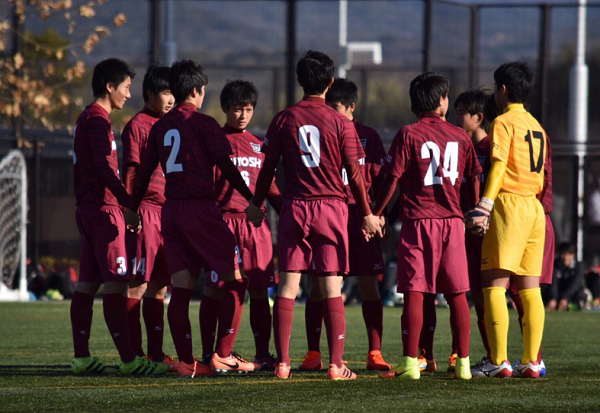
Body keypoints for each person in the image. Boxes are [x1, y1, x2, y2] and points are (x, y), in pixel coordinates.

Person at [246, 50, 377, 380]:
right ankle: (336, 364)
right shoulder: (341, 122)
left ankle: (283, 363)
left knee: (289, 286)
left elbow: (267, 168)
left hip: (297, 207)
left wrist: (256, 203)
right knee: (332, 287)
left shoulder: (283, 118)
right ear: (330, 83)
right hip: (332, 208)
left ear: (299, 81)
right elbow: (356, 173)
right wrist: (367, 213)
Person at [127, 59, 256, 377]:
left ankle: (187, 362)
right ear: (197, 91)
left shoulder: (160, 127)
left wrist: (131, 207)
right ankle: (223, 355)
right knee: (237, 281)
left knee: (181, 288)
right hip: (201, 210)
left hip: (171, 212)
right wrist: (251, 199)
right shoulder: (204, 124)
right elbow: (226, 166)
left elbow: (144, 172)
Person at [365, 72, 482, 380]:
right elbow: (474, 178)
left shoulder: (409, 134)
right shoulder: (461, 137)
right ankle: (464, 365)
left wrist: (378, 213)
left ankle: (409, 364)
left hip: (418, 222)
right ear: (442, 101)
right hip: (453, 223)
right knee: (458, 292)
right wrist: (474, 212)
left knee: (415, 290)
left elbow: (393, 180)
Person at [70, 58, 169, 376]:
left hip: (88, 209)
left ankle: (82, 357)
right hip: (104, 212)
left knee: (86, 285)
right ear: (110, 86)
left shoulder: (87, 116)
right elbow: (104, 167)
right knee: (117, 285)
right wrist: (128, 202)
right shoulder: (98, 120)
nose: (129, 94)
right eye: (126, 87)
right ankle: (130, 360)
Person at [292, 77, 389, 372]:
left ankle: (375, 352)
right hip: (327, 217)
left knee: (369, 284)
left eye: (336, 107)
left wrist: (377, 213)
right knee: (319, 287)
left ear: (351, 107)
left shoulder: (368, 136)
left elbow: (381, 178)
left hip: (359, 221)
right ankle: (314, 353)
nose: (331, 113)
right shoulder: (320, 130)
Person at [467, 62, 548, 378]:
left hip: (509, 206)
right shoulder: (536, 124)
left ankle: (498, 360)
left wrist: (485, 204)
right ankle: (532, 361)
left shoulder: (502, 122)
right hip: (534, 208)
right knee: (530, 289)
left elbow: (499, 165)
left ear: (502, 90)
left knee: (495, 286)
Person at [201, 79, 282, 370]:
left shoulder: (259, 145)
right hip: (224, 223)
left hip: (255, 226)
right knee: (217, 287)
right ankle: (210, 351)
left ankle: (263, 353)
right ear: (225, 108)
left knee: (260, 289)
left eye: (248, 109)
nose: (243, 115)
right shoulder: (215, 142)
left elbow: (270, 188)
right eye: (237, 109)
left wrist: (286, 212)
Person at [121, 65, 177, 371]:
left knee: (160, 287)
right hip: (145, 212)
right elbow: (131, 168)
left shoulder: (172, 125)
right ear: (151, 94)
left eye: (173, 93)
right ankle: (134, 353)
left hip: (168, 214)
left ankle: (155, 353)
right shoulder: (138, 125)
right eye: (166, 93)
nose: (170, 99)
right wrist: (132, 208)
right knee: (137, 284)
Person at [547, 243, 586, 311]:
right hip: (558, 293)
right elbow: (554, 283)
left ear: (573, 255)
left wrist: (565, 298)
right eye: (563, 254)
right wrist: (553, 298)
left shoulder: (579, 266)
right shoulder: (555, 265)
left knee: (580, 295)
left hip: (572, 295)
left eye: (568, 254)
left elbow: (575, 284)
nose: (565, 257)